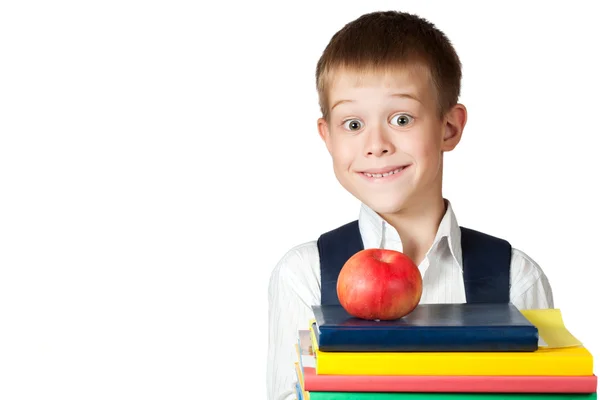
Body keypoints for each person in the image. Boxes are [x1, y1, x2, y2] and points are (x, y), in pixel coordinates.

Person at [266, 10, 554, 400]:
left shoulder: (516, 278)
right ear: (328, 136)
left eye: (402, 119)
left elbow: (546, 389)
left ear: (448, 128)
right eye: (353, 124)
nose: (377, 143)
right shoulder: (306, 276)